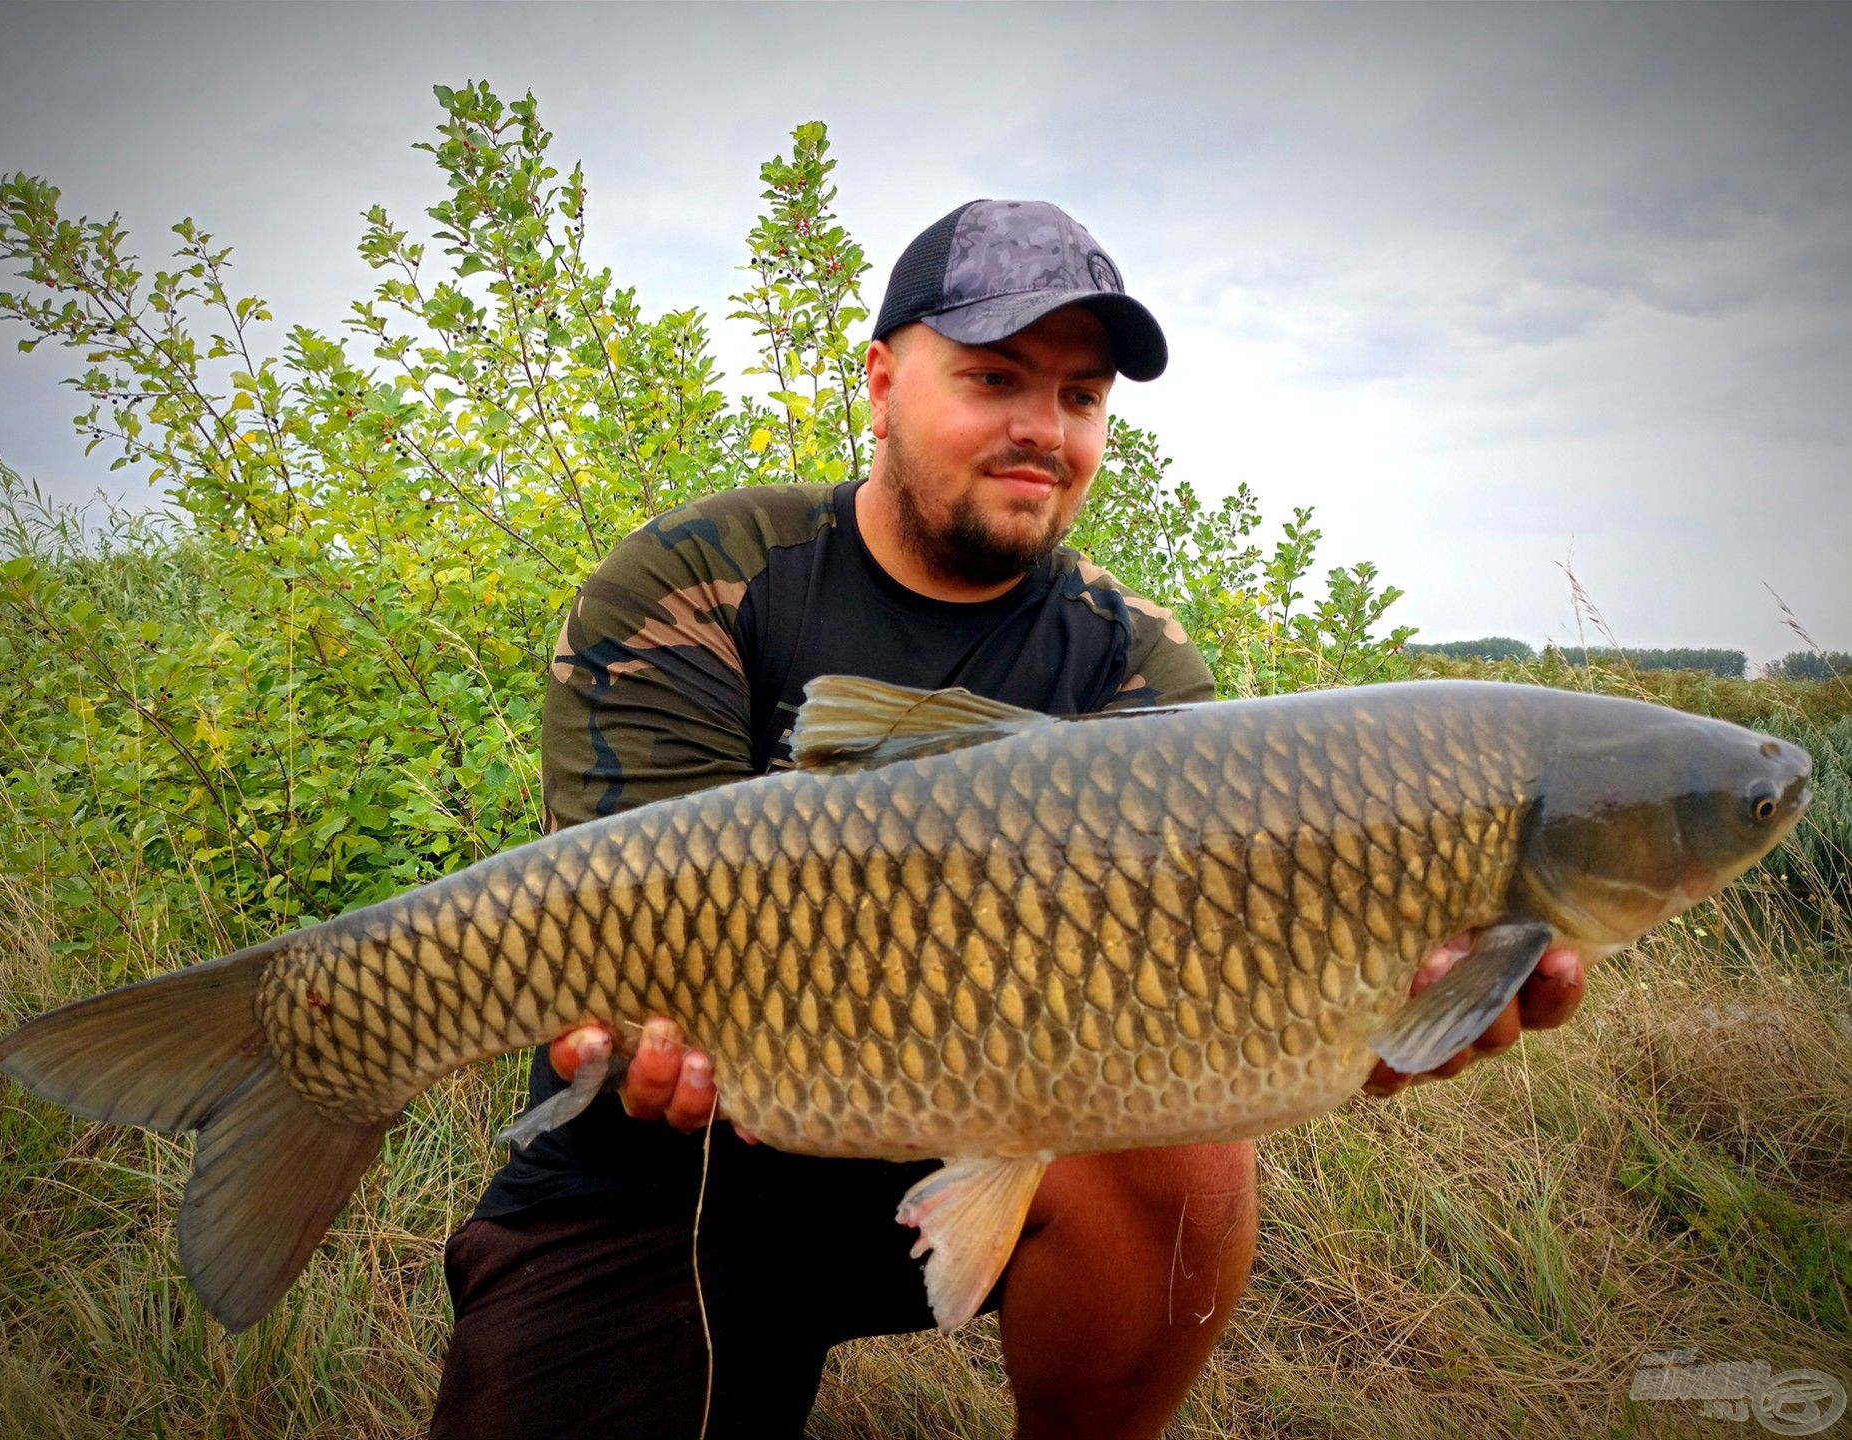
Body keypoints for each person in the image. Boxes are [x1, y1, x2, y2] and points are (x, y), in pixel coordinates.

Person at [429, 199, 1587, 1440]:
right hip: (668, 1174)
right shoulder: (700, 578)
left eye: (1081, 397)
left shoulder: (1129, 660)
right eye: (994, 378)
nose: (1044, 429)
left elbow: (1203, 1008)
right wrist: (618, 1027)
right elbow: (617, 928)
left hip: (982, 1148)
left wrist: (1374, 1012)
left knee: (1190, 1152)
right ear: (880, 382)